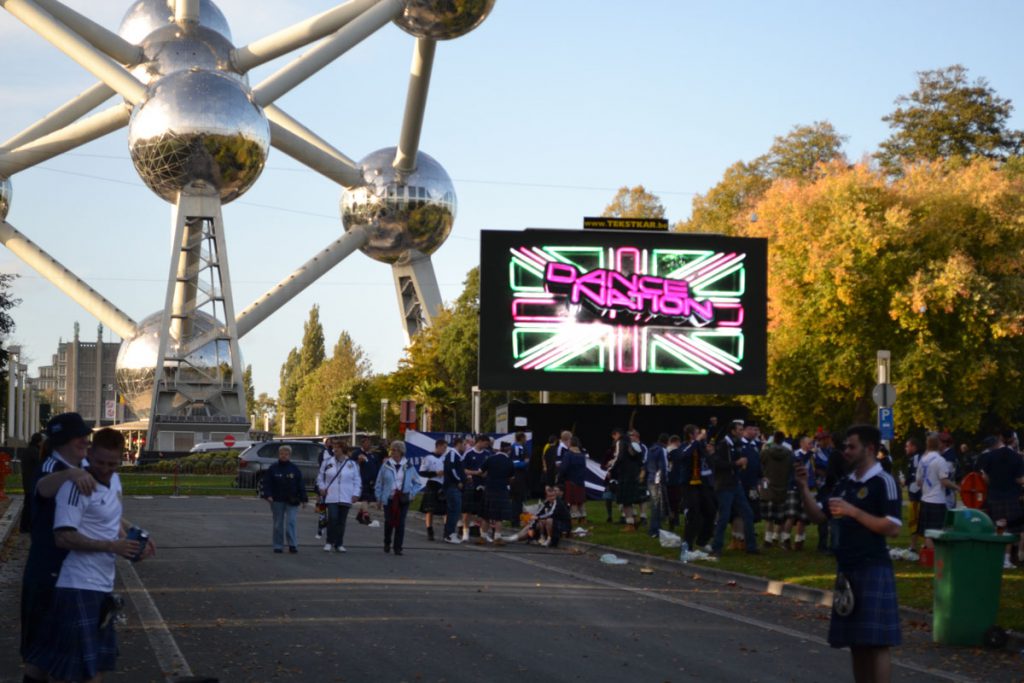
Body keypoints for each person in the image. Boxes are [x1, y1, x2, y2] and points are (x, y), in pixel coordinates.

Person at [27, 428, 155, 683]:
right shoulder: (78, 486)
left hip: (102, 585)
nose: (106, 468)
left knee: (95, 668)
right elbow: (63, 536)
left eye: (113, 463)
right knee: (77, 672)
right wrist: (112, 547)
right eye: (100, 462)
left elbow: (110, 519)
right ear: (90, 453)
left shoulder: (114, 480)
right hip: (77, 586)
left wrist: (135, 540)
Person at [797, 425, 902, 683]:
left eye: (851, 446)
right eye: (845, 446)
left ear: (869, 448)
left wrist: (853, 512)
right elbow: (819, 515)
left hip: (873, 566)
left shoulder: (883, 481)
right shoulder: (846, 483)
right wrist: (802, 488)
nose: (845, 451)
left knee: (876, 643)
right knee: (856, 642)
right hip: (848, 569)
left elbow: (893, 527)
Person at [20, 413, 96, 683]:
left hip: (74, 574)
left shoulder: (83, 464)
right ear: (63, 440)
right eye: (80, 437)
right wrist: (70, 474)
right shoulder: (52, 466)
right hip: (48, 573)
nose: (86, 441)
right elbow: (41, 487)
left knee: (73, 658)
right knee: (40, 659)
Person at [710, 420, 759, 556]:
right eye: (739, 429)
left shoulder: (737, 444)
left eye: (742, 429)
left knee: (748, 513)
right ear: (732, 431)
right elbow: (717, 463)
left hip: (735, 484)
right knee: (724, 517)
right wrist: (735, 463)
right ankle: (716, 547)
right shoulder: (723, 445)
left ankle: (751, 546)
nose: (741, 431)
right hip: (725, 485)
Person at [978, 429, 1024, 568]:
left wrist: (992, 483)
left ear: (1000, 438)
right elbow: (1019, 479)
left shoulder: (989, 456)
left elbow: (985, 476)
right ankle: (1006, 558)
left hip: (994, 495)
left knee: (999, 527)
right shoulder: (1016, 457)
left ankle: (996, 555)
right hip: (1011, 496)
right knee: (1010, 528)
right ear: (1012, 440)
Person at [374, 441, 424, 555]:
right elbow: (379, 483)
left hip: (403, 498)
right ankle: (387, 542)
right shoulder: (385, 465)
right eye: (391, 450)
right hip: (389, 498)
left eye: (395, 450)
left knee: (400, 523)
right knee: (389, 522)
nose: (393, 452)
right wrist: (379, 498)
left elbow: (418, 483)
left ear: (401, 452)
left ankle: (398, 547)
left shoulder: (408, 466)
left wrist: (411, 493)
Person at [915, 433, 958, 549]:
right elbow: (944, 481)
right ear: (938, 444)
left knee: (928, 532)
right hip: (937, 500)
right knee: (937, 531)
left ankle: (930, 558)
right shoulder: (940, 460)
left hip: (925, 499)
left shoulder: (923, 459)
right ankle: (935, 558)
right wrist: (958, 488)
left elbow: (918, 482)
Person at [262, 445, 308, 554]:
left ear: (289, 455)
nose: (284, 456)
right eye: (282, 454)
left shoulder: (294, 469)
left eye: (286, 454)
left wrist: (304, 499)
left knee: (290, 522)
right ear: (279, 455)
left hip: (292, 500)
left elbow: (300, 484)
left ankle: (293, 545)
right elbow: (267, 483)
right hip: (277, 499)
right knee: (278, 523)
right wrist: (268, 495)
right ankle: (278, 545)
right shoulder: (273, 468)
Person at [316, 441, 360, 553]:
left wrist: (356, 493)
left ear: (343, 450)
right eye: (334, 448)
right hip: (331, 495)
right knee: (333, 518)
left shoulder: (352, 464)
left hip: (346, 496)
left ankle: (339, 543)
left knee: (341, 521)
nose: (335, 450)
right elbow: (320, 477)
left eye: (338, 448)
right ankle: (329, 542)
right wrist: (322, 487)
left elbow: (357, 480)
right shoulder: (327, 462)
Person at [679, 425, 716, 554]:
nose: (700, 434)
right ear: (691, 435)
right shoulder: (686, 446)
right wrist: (696, 442)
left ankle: (702, 540)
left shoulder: (700, 446)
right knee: (694, 513)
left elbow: (708, 461)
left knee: (710, 511)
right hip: (689, 484)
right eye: (697, 433)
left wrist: (710, 453)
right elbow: (683, 456)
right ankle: (687, 544)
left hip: (703, 483)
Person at [760, 433, 794, 549]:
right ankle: (781, 539)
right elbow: (791, 468)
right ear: (783, 440)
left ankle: (767, 540)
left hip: (769, 486)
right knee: (781, 516)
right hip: (783, 486)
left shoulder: (766, 452)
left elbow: (761, 463)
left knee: (769, 517)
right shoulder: (789, 453)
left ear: (773, 439)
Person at [481, 441, 515, 545]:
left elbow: (482, 471)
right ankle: (497, 538)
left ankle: (482, 537)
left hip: (489, 488)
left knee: (486, 515)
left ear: (500, 448)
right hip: (501, 489)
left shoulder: (490, 458)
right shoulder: (509, 461)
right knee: (499, 516)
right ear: (508, 450)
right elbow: (511, 477)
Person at [610, 428, 644, 532]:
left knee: (625, 500)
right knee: (630, 499)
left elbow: (619, 457)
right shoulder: (632, 443)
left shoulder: (621, 442)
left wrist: (611, 469)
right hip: (634, 474)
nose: (614, 439)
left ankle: (630, 524)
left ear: (617, 434)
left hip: (625, 474)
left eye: (614, 436)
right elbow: (640, 460)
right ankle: (633, 520)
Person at [419, 441, 448, 541]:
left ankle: (446, 531)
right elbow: (422, 472)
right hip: (433, 484)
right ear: (438, 446)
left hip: (443, 485)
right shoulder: (428, 458)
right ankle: (429, 530)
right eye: (444, 447)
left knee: (446, 510)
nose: (445, 449)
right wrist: (435, 473)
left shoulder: (446, 458)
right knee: (430, 509)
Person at [558, 436, 589, 526]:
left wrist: (560, 476)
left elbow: (564, 468)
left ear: (570, 443)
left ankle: (574, 518)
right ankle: (583, 517)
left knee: (573, 501)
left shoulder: (569, 454)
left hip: (571, 480)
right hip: (580, 480)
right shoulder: (581, 454)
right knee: (581, 500)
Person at [18, 432, 44, 533]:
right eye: (41, 441)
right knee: (29, 505)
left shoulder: (28, 450)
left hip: (27, 480)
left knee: (28, 504)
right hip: (31, 482)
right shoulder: (34, 451)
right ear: (38, 442)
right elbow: (40, 465)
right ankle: (25, 526)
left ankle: (25, 525)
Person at [442, 437, 466, 544]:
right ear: (459, 444)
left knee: (455, 511)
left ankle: (449, 533)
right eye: (464, 444)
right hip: (452, 486)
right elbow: (451, 469)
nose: (465, 446)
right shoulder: (452, 454)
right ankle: (450, 534)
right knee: (454, 510)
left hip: (455, 486)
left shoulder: (457, 455)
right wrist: (458, 481)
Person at [903, 437, 923, 552]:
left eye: (907, 446)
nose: (906, 448)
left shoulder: (917, 458)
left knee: (915, 520)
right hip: (917, 494)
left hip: (917, 495)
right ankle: (915, 545)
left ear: (914, 447)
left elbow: (916, 476)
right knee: (916, 520)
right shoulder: (915, 458)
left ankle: (914, 545)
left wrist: (906, 481)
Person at [354, 439, 381, 525]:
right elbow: (352, 465)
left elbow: (376, 466)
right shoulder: (357, 453)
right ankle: (366, 516)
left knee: (369, 499)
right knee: (365, 498)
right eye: (367, 443)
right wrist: (358, 461)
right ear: (362, 444)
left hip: (372, 481)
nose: (369, 445)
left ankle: (359, 515)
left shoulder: (372, 455)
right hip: (362, 480)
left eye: (370, 443)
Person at [509, 431, 530, 521]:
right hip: (520, 475)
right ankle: (517, 518)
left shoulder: (512, 447)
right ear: (521, 438)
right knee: (519, 498)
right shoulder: (522, 447)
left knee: (515, 498)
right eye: (525, 438)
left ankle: (515, 518)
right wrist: (524, 463)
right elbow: (525, 461)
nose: (526, 440)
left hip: (513, 475)